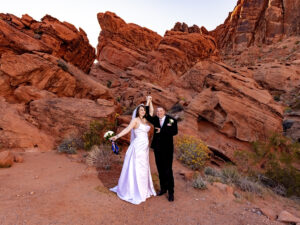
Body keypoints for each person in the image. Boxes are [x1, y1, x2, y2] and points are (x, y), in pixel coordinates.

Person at [109, 103, 156, 205]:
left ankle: (142, 189)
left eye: (144, 110)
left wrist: (150, 101)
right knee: (137, 167)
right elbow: (127, 129)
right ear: (138, 111)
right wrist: (116, 137)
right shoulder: (135, 121)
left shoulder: (146, 120)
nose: (143, 112)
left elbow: (151, 112)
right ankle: (133, 190)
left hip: (144, 149)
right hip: (137, 147)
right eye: (141, 110)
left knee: (143, 168)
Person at [145, 96, 178, 202]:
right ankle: (163, 189)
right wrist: (148, 101)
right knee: (160, 169)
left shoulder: (171, 120)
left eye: (161, 111)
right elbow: (147, 115)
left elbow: (174, 132)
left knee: (168, 170)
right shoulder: (155, 120)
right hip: (157, 149)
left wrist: (162, 131)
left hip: (167, 149)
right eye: (157, 111)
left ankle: (171, 192)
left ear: (164, 111)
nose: (159, 112)